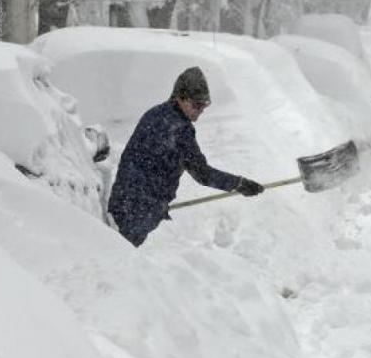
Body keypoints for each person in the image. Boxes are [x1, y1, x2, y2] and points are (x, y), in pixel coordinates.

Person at [108, 67, 264, 247]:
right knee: (124, 260)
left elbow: (147, 165)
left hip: (124, 201)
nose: (201, 110)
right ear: (179, 98)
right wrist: (240, 184)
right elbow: (203, 174)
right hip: (138, 211)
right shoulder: (179, 130)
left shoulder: (156, 113)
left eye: (204, 105)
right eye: (196, 105)